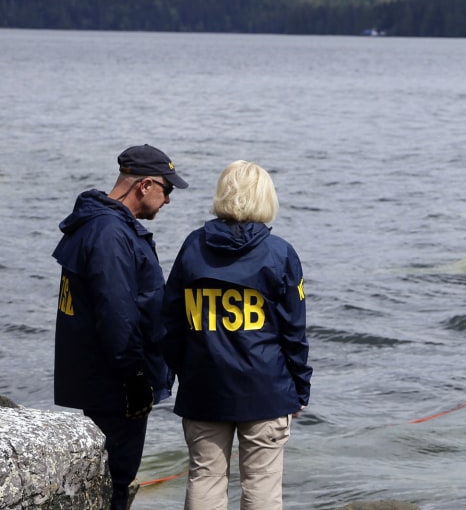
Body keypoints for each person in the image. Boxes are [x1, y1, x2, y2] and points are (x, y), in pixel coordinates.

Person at [162, 160, 311, 510]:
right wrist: (300, 388)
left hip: (204, 385)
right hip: (265, 388)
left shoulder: (193, 247)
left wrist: (182, 372)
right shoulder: (280, 253)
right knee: (261, 483)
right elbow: (294, 331)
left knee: (205, 477)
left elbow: (170, 321)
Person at [52, 144, 189, 510]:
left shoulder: (97, 223)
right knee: (116, 479)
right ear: (145, 185)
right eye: (167, 189)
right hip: (114, 382)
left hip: (98, 375)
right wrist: (134, 378)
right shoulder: (110, 233)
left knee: (106, 476)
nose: (169, 200)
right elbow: (117, 312)